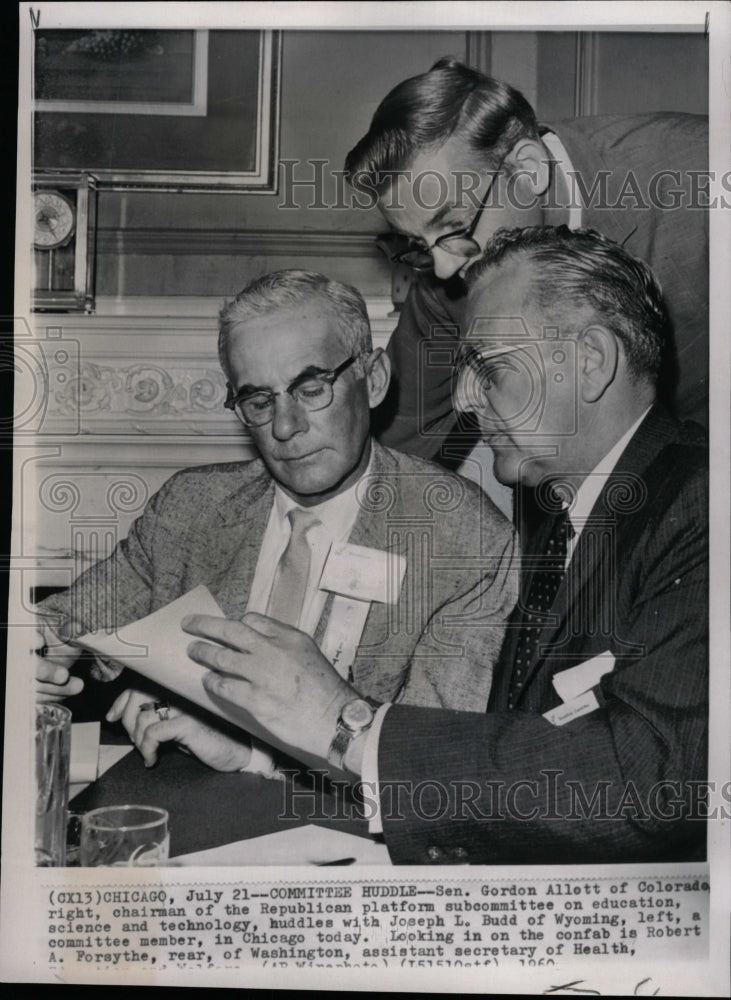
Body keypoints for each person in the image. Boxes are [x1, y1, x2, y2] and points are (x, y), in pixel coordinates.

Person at [181, 229, 708, 863]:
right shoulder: (553, 506)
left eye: (489, 367)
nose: (463, 398)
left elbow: (645, 787)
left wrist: (347, 725)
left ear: (590, 360)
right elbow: (513, 756)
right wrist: (262, 753)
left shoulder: (705, 505)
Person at [35, 269, 518, 772]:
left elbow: (432, 765)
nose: (285, 427)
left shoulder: (464, 538)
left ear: (372, 380)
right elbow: (75, 614)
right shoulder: (192, 505)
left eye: (311, 389)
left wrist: (253, 754)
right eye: (259, 401)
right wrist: (39, 649)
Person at [344, 58, 708, 470]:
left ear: (528, 169)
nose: (444, 270)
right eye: (419, 245)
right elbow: (391, 453)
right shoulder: (446, 280)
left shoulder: (698, 176)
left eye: (454, 225)